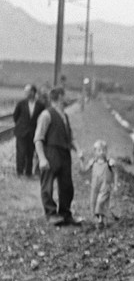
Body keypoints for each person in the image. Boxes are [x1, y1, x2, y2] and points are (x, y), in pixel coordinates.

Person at [34, 86, 81, 226]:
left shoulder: (64, 115)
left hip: (65, 153)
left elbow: (70, 137)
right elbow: (38, 139)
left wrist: (79, 151)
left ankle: (65, 214)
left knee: (67, 186)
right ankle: (51, 214)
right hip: (51, 152)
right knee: (47, 186)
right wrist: (42, 158)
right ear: (59, 97)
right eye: (64, 95)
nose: (66, 98)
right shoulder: (46, 115)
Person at [79, 139, 117, 227]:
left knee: (101, 202)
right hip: (95, 186)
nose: (102, 152)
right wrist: (81, 160)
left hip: (105, 186)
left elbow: (115, 173)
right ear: (95, 151)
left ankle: (101, 219)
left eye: (104, 150)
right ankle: (100, 220)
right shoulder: (93, 162)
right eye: (99, 150)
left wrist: (115, 185)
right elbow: (84, 170)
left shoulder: (109, 162)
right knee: (94, 202)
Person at [12, 83, 44, 177]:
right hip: (21, 132)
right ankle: (19, 172)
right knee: (21, 152)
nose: (25, 93)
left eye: (27, 91)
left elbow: (41, 119)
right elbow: (15, 116)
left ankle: (28, 172)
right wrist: (21, 126)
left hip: (33, 133)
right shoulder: (21, 103)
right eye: (25, 91)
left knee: (30, 152)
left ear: (33, 92)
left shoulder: (40, 105)